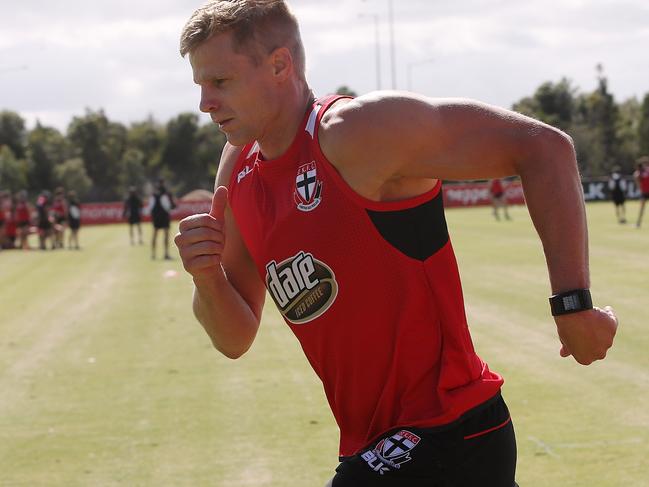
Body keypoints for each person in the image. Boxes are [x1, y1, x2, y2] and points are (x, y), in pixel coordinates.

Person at [174, 2, 618, 486]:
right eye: (200, 85)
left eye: (220, 82)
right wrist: (207, 275)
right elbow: (234, 338)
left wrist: (572, 304)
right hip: (373, 443)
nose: (205, 103)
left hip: (453, 426)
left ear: (279, 65)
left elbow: (545, 147)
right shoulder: (237, 167)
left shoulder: (359, 132)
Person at [148, 179, 176, 260]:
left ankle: (153, 254)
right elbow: (172, 206)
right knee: (165, 235)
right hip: (164, 217)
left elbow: (151, 207)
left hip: (156, 217)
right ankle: (166, 254)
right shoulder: (167, 193)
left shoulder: (154, 194)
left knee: (155, 235)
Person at [633, 156, 649, 228]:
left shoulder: (647, 171)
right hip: (644, 192)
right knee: (642, 208)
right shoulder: (639, 173)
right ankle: (638, 222)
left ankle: (638, 222)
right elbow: (636, 179)